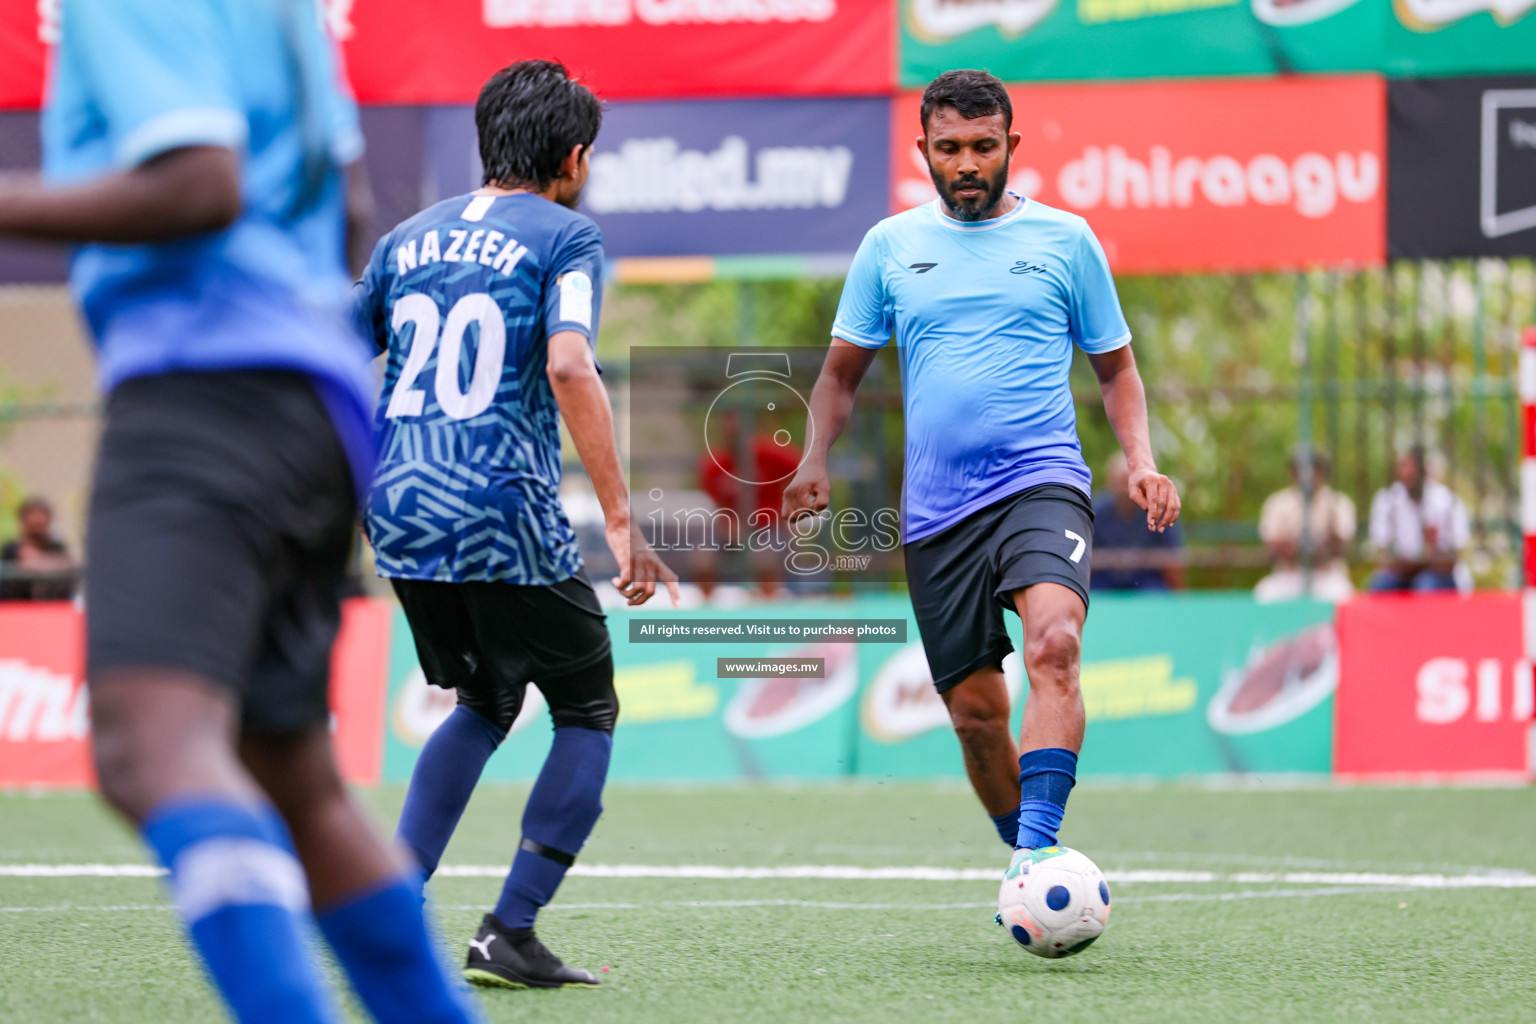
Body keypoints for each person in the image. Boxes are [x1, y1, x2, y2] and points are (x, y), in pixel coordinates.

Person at [0, 3, 483, 1023]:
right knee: (291, 778)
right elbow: (349, 205)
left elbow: (200, 183)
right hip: (313, 394)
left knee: (148, 745)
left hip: (207, 384)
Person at [782, 70, 1179, 885]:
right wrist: (813, 457)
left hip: (1042, 484)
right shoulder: (889, 247)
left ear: (1012, 148)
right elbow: (839, 376)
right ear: (923, 148)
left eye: (984, 147)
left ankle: (1040, 850)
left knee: (1057, 646)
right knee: (975, 714)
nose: (968, 164)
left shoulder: (1066, 242)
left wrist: (1140, 461)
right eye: (951, 148)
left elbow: (1117, 370)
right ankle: (1024, 854)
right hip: (937, 513)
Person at [355, 60, 678, 990]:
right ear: (574, 157)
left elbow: (334, 358)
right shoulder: (567, 235)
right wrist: (621, 518)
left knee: (486, 701)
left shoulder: (405, 239)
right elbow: (572, 365)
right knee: (585, 706)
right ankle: (511, 927)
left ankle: (389, 909)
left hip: (401, 502)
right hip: (498, 500)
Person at [1254, 449, 1356, 603]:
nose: (1307, 475)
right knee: (1265, 594)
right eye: (1300, 468)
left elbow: (1339, 545)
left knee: (1343, 595)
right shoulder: (1278, 502)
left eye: (1313, 468)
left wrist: (1309, 550)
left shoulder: (1338, 503)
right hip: (1289, 575)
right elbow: (1274, 545)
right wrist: (1303, 550)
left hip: (1326, 575)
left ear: (1322, 472)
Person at [1367, 447, 1469, 592]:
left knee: (1425, 586)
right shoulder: (1388, 500)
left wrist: (1429, 558)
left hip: (1440, 576)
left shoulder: (1447, 501)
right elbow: (1380, 553)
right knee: (1380, 587)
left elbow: (1458, 553)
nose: (1406, 473)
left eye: (1411, 468)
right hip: (1401, 574)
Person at [1090, 453, 1185, 592]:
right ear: (1110, 483)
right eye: (1120, 482)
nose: (1125, 490)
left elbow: (1172, 559)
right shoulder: (1097, 511)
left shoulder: (1160, 509)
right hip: (1105, 581)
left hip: (1146, 582)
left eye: (1128, 483)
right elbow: (1083, 557)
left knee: (1157, 598)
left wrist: (1181, 599)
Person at [0, 496, 77, 600]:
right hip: (16, 605)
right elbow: (26, 562)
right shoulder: (12, 548)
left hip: (52, 606)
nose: (37, 527)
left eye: (40, 524)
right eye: (33, 524)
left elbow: (70, 564)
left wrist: (40, 563)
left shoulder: (56, 547)